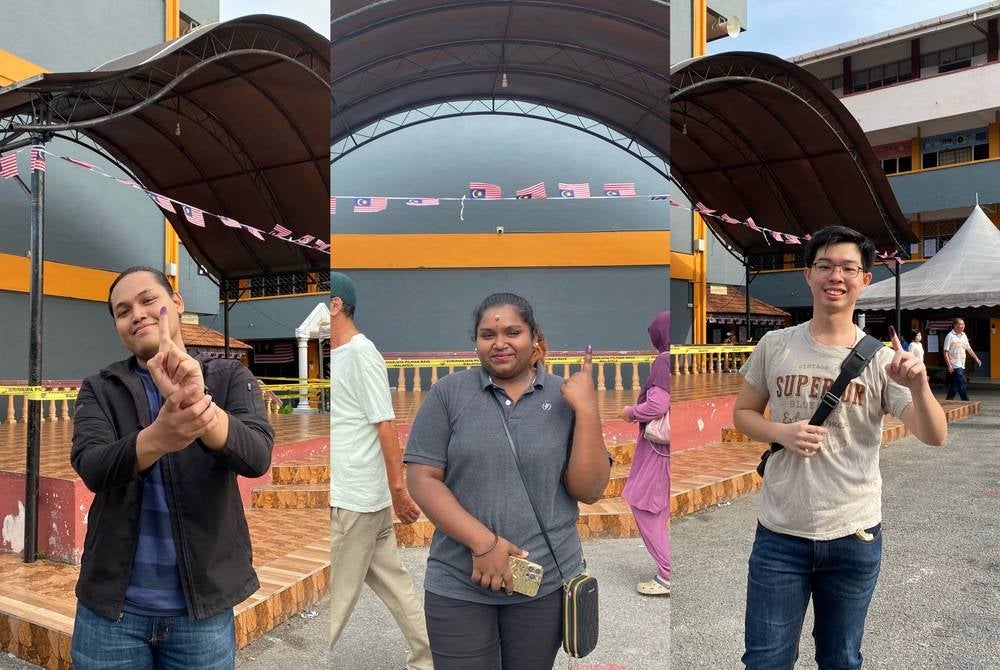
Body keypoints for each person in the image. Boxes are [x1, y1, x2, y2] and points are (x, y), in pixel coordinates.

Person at [733, 226, 947, 670]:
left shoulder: (884, 360)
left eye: (849, 268)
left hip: (854, 532)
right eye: (826, 266)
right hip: (780, 534)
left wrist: (922, 386)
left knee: (841, 659)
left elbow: (934, 434)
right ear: (808, 274)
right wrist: (781, 433)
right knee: (765, 660)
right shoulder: (776, 345)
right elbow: (743, 415)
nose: (837, 276)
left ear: (865, 279)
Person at [70, 267, 274, 669]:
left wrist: (199, 404)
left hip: (201, 612)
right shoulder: (101, 388)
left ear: (176, 303)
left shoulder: (229, 375)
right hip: (112, 610)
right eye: (123, 310)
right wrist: (158, 438)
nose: (138, 314)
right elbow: (91, 466)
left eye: (149, 300)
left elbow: (256, 456)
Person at [405, 293, 611, 670]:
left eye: (512, 331)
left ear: (534, 337)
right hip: (458, 582)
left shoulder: (564, 395)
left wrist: (587, 408)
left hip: (543, 584)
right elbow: (422, 478)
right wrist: (484, 544)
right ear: (476, 341)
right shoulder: (448, 394)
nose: (499, 343)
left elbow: (590, 489)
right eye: (487, 334)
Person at [328, 271, 432, 670]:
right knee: (396, 585)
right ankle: (431, 660)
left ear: (335, 306)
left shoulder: (360, 353)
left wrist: (398, 490)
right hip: (360, 498)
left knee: (337, 598)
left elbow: (385, 424)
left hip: (355, 500)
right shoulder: (338, 354)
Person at [620, 311, 672, 596]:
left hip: (658, 451)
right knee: (659, 508)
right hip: (666, 451)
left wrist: (630, 412)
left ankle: (667, 573)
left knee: (644, 507)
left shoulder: (664, 360)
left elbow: (656, 406)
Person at [943, 318, 981, 401]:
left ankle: (949, 399)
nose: (963, 326)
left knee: (955, 384)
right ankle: (966, 401)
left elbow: (968, 348)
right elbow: (945, 351)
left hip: (962, 363)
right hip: (954, 363)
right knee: (962, 382)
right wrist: (949, 365)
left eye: (963, 324)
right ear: (955, 325)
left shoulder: (964, 335)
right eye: (961, 324)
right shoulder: (950, 336)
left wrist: (976, 358)